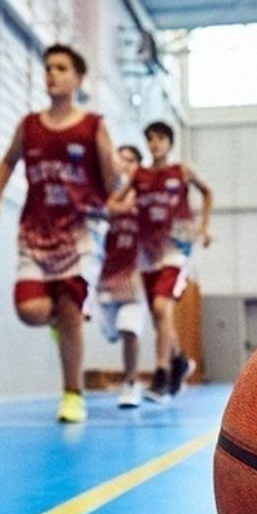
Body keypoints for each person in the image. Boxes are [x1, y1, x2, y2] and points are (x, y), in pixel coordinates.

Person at [0, 44, 118, 423]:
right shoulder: (29, 126)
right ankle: (60, 321)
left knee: (71, 308)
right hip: (37, 231)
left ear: (78, 78)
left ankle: (72, 394)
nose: (52, 74)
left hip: (80, 231)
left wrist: (112, 181)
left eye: (61, 68)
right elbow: (7, 162)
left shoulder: (93, 126)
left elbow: (112, 180)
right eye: (48, 68)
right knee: (30, 311)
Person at [133, 121, 213, 403]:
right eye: (150, 139)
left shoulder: (182, 170)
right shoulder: (138, 175)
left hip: (178, 243)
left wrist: (203, 227)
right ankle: (179, 360)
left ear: (169, 143)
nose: (154, 144)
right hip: (148, 249)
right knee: (159, 316)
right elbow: (117, 201)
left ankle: (162, 374)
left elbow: (207, 192)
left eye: (159, 139)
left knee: (161, 306)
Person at [97, 146, 148, 409]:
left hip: (135, 275)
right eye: (121, 159)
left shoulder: (146, 195)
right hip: (106, 276)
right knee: (111, 332)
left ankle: (131, 383)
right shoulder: (105, 193)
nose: (125, 164)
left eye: (131, 160)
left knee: (129, 329)